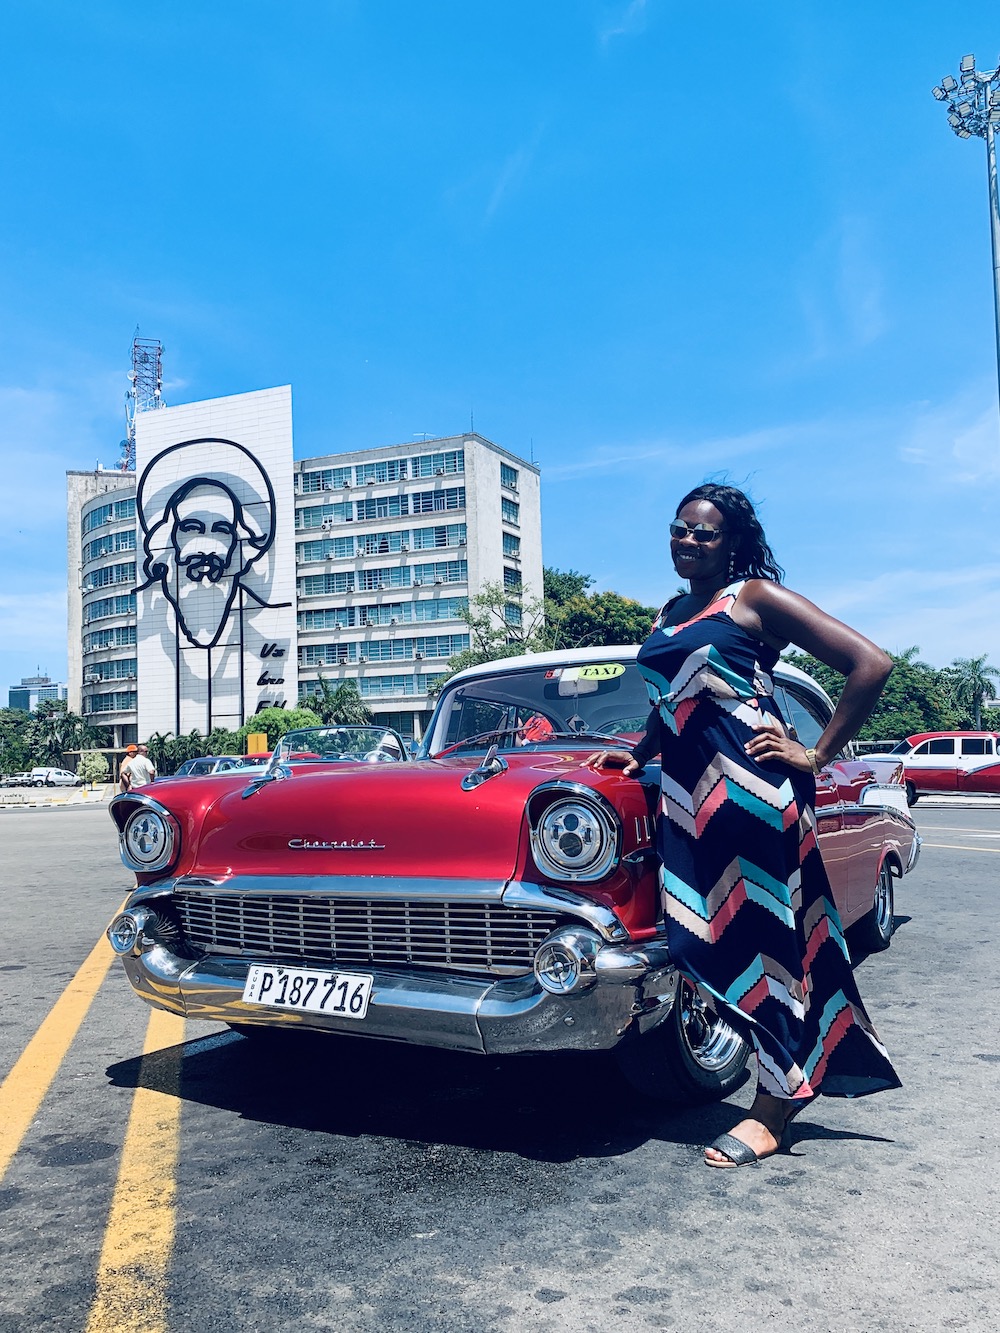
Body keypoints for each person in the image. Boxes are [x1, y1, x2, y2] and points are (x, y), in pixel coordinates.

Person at [587, 483, 900, 1169]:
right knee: (710, 939)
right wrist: (638, 752)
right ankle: (787, 1074)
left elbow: (870, 663)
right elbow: (675, 696)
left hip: (752, 792)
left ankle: (772, 1108)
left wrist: (817, 753)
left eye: (704, 532)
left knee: (767, 946)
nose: (688, 541)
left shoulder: (752, 598)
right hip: (687, 797)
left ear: (731, 543)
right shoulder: (671, 610)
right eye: (680, 529)